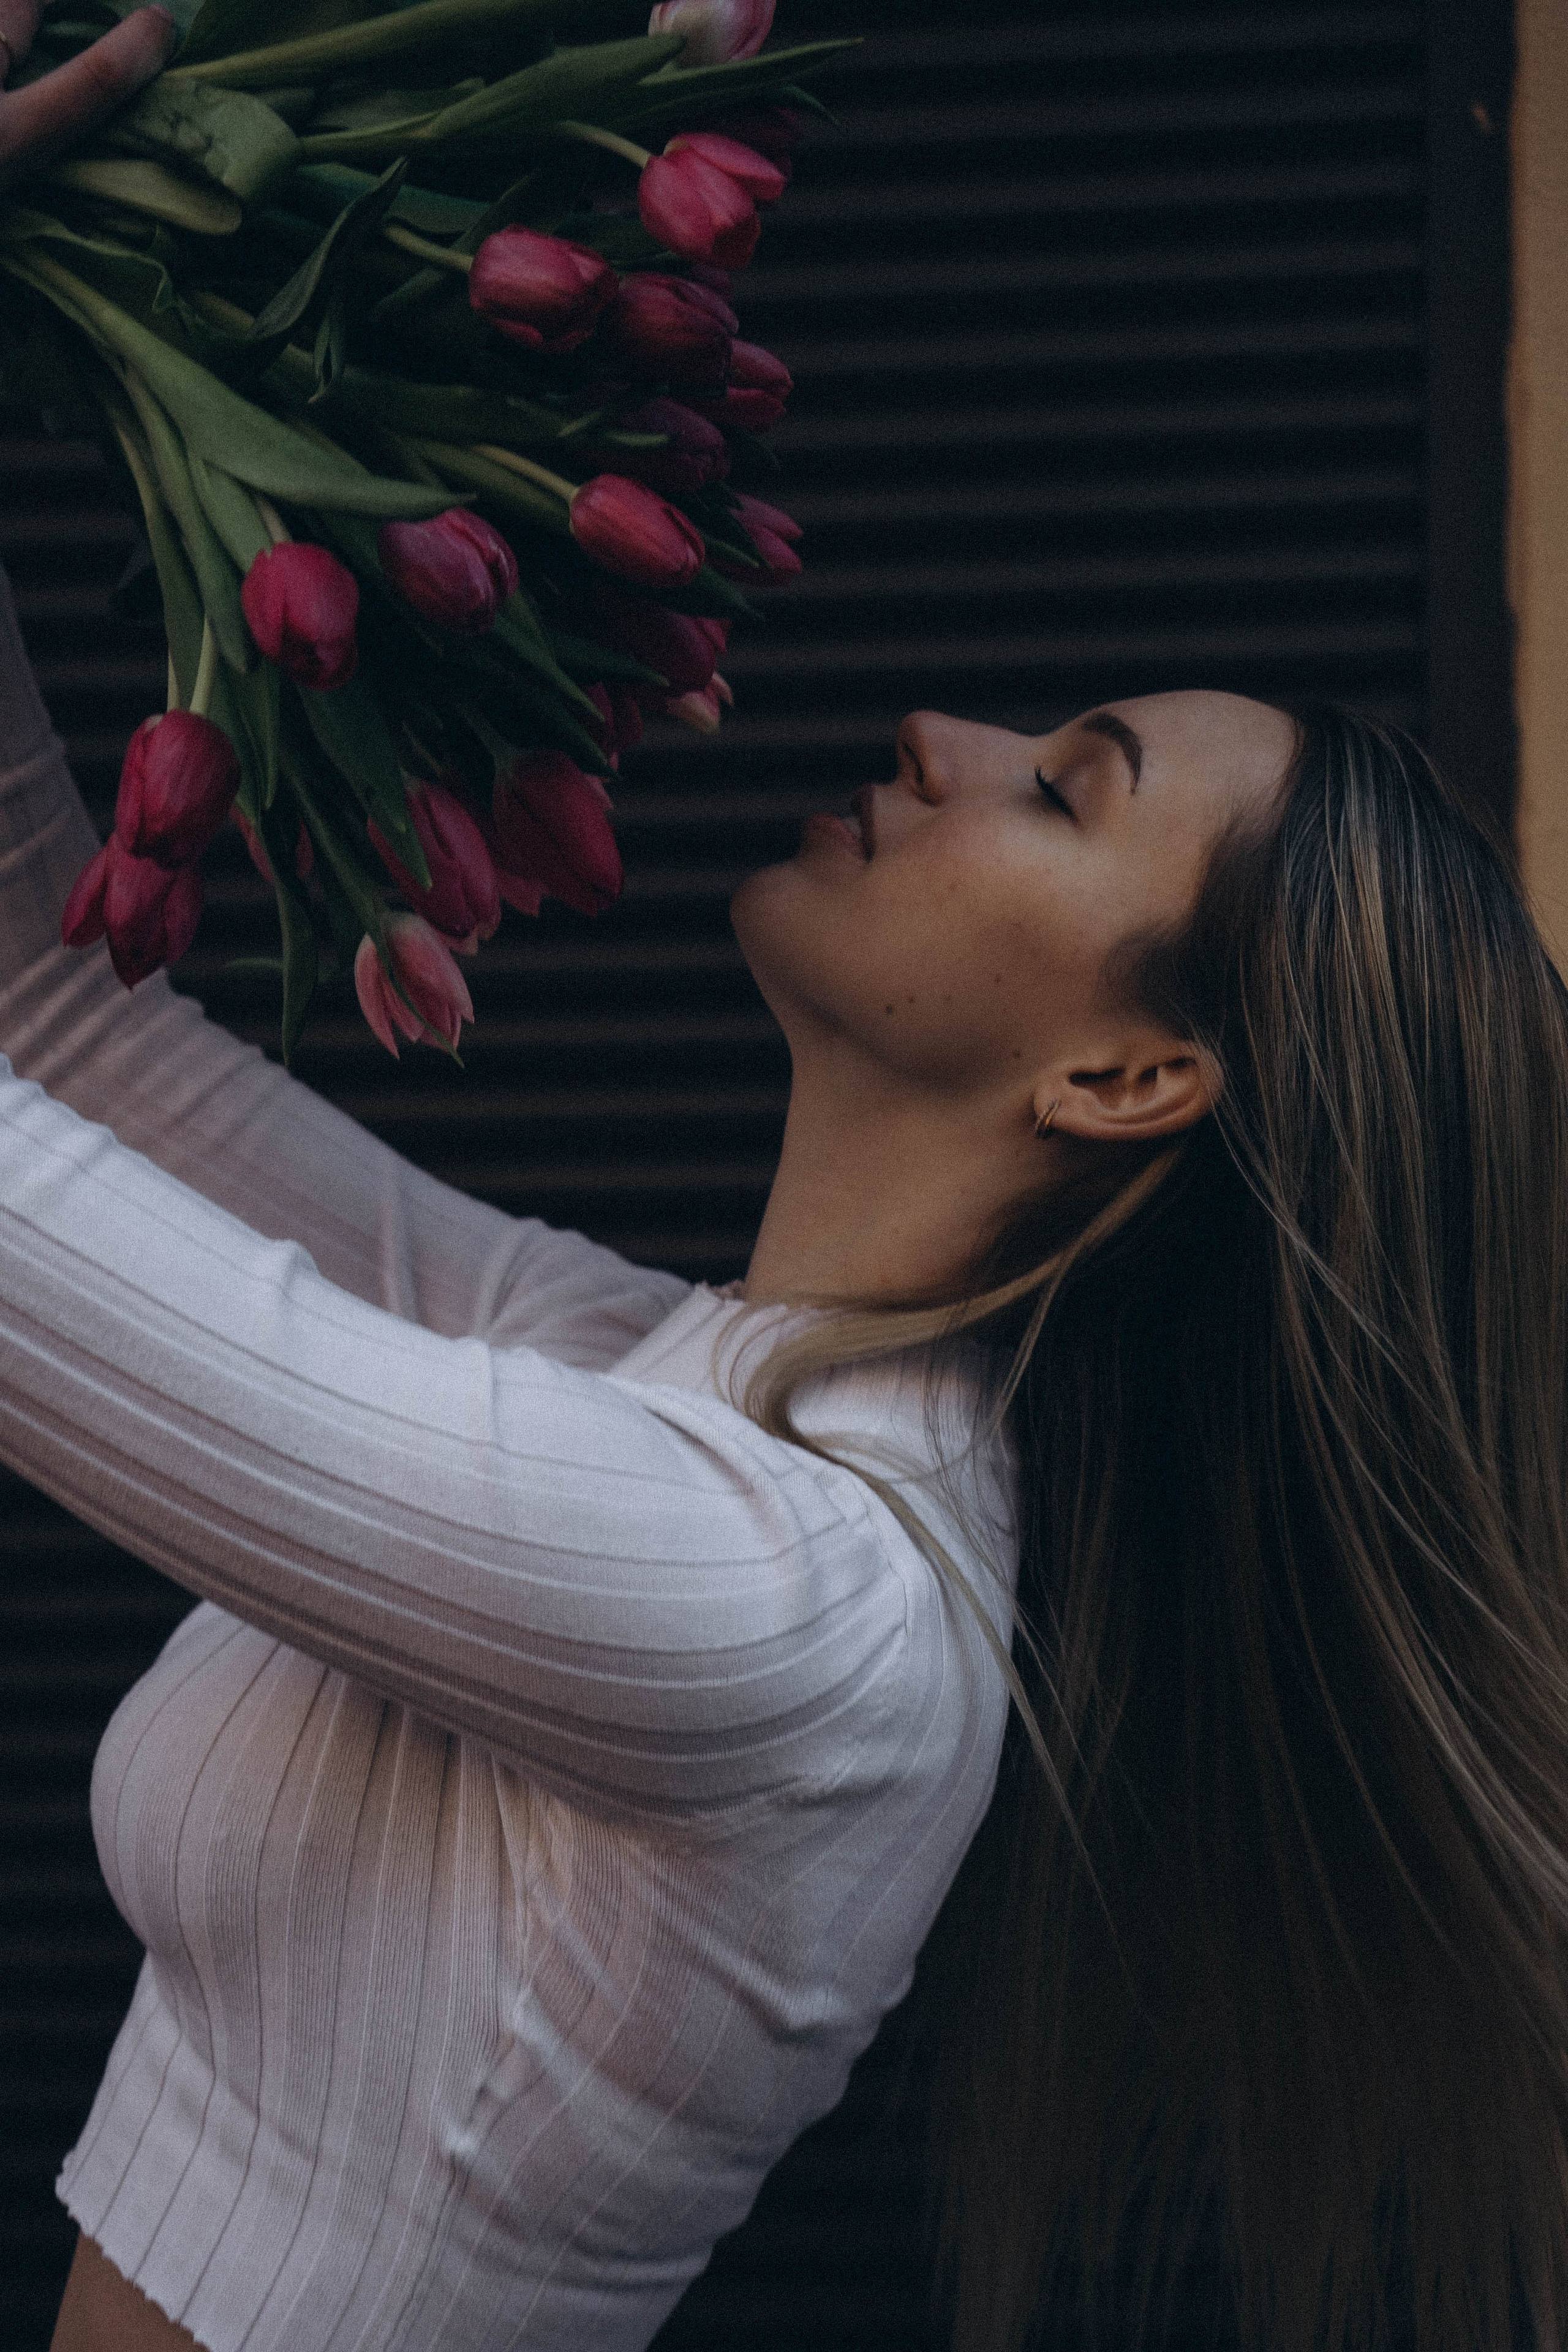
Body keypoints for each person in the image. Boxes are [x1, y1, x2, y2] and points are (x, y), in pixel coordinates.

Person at [6, 27, 1568, 2352]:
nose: (946, 739)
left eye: (1064, 789)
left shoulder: (791, 1608)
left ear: (1132, 1072)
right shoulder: (656, 1383)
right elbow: (66, 1038)